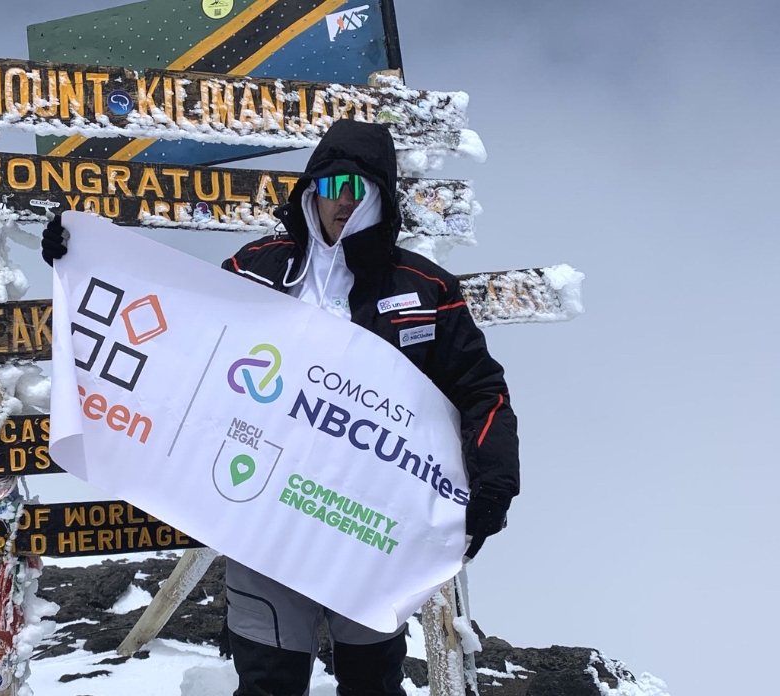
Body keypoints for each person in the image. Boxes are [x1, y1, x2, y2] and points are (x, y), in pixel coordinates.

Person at [41, 119, 519, 696]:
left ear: (383, 198)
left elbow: (482, 392)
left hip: (370, 527)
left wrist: (494, 484)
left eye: (361, 189)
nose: (344, 201)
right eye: (333, 185)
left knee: (373, 685)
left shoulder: (425, 288)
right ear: (310, 188)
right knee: (268, 682)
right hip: (264, 516)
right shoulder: (257, 268)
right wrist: (86, 264)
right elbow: (180, 337)